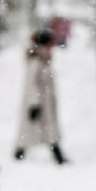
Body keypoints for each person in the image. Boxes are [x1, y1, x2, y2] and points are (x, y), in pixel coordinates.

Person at [14, 29, 67, 164]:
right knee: (35, 128)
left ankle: (55, 153)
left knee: (44, 129)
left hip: (44, 101)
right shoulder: (37, 61)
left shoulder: (44, 59)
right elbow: (32, 84)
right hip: (39, 101)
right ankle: (20, 153)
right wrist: (34, 103)